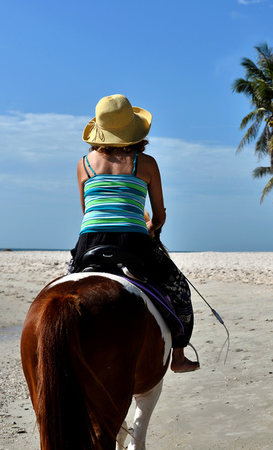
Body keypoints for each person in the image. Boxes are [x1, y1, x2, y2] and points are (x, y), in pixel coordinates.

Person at [69, 94, 199, 373]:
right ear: (134, 130)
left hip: (89, 241)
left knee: (66, 295)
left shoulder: (83, 164)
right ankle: (178, 358)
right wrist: (151, 228)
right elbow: (159, 216)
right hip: (134, 241)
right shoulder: (147, 163)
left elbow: (86, 213)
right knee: (179, 292)